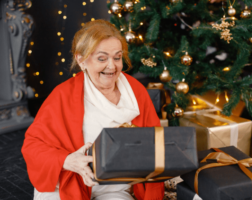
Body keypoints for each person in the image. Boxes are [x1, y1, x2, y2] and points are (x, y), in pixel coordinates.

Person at [21, 19, 164, 200]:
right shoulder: (63, 95)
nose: (111, 66)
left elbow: (155, 144)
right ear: (81, 60)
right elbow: (32, 146)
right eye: (102, 58)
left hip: (116, 186)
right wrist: (66, 161)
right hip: (68, 180)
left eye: (117, 57)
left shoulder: (136, 92)